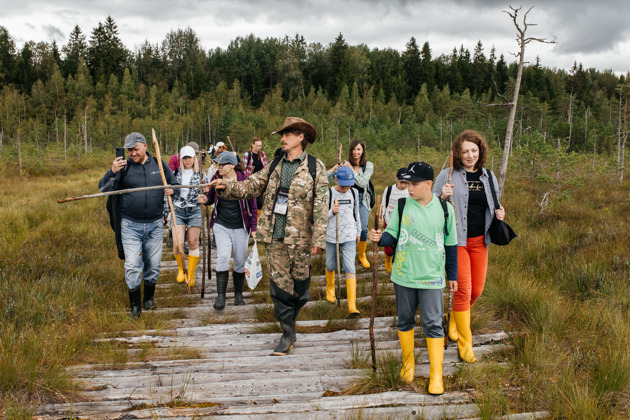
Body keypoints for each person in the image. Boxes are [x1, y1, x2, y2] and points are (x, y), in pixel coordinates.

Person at [211, 117, 328, 356]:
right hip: (274, 237)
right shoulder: (274, 165)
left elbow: (322, 205)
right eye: (281, 135)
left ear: (300, 137)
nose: (282, 139)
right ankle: (287, 332)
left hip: (302, 239)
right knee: (280, 286)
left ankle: (290, 324)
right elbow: (251, 186)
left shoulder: (316, 167)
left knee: (301, 286)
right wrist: (226, 187)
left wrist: (319, 239)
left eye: (287, 135)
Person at [368, 161, 457, 395]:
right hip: (404, 275)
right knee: (405, 321)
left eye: (414, 184)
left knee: (433, 325)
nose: (409, 188)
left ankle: (436, 376)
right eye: (407, 183)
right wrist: (379, 237)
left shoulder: (445, 209)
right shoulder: (401, 206)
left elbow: (451, 245)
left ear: (429, 184)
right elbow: (392, 235)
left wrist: (452, 275)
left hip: (431, 278)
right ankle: (408, 364)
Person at [433, 129, 506, 364]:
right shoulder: (447, 175)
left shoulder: (488, 176)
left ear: (480, 151)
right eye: (465, 151)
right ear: (458, 152)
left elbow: (494, 202)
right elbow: (430, 207)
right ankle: (466, 344)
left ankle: (455, 316)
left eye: (473, 150)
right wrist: (442, 197)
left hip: (480, 241)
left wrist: (500, 211)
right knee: (463, 290)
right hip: (457, 242)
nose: (469, 155)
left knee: (476, 291)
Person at [98, 132, 177, 318]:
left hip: (156, 224)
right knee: (133, 265)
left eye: (135, 149)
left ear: (145, 146)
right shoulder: (123, 168)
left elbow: (174, 185)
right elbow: (103, 189)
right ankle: (135, 306)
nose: (132, 153)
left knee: (154, 264)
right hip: (130, 225)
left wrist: (172, 189)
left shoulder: (159, 164)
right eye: (129, 150)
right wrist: (113, 171)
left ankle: (148, 299)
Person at [199, 151, 257, 309]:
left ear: (232, 165)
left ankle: (238, 295)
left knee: (239, 261)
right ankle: (221, 297)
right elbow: (210, 198)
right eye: (217, 164)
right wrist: (205, 200)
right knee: (223, 257)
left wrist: (254, 227)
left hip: (241, 226)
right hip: (221, 224)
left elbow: (252, 204)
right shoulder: (215, 179)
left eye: (222, 164)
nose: (219, 167)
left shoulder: (244, 180)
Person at [329, 139, 373, 269]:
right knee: (346, 226)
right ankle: (346, 255)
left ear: (363, 151)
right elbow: (329, 179)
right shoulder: (345, 164)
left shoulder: (368, 165)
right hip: (345, 197)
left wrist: (350, 170)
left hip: (361, 199)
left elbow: (363, 182)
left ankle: (362, 254)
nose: (356, 152)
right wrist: (333, 170)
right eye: (354, 149)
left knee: (363, 228)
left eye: (358, 149)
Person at [169, 145, 209, 288]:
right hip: (178, 210)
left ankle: (190, 274)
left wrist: (204, 193)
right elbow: (170, 192)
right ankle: (181, 269)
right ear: (181, 159)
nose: (187, 160)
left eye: (189, 157)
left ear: (194, 159)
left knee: (193, 243)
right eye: (184, 157)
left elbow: (207, 193)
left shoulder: (200, 175)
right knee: (177, 243)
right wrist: (169, 191)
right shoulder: (175, 174)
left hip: (194, 210)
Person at [325, 166, 361, 316]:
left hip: (349, 235)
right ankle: (330, 289)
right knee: (330, 264)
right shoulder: (329, 193)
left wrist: (358, 231)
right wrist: (331, 212)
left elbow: (356, 212)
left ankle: (352, 305)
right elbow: (321, 216)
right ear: (335, 180)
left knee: (349, 266)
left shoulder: (354, 192)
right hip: (332, 236)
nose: (346, 188)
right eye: (343, 185)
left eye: (348, 184)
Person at [379, 168, 410, 274]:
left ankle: (399, 263)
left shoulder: (410, 191)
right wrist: (381, 218)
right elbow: (383, 204)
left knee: (402, 245)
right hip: (389, 222)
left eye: (406, 182)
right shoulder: (389, 190)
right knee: (388, 246)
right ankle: (388, 261)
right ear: (396, 178)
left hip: (404, 224)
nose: (403, 185)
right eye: (401, 182)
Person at [243, 137, 268, 218]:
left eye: (260, 146)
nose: (258, 148)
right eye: (256, 146)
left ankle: (258, 220)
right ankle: (250, 219)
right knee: (251, 202)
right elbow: (244, 169)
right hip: (250, 181)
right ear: (252, 144)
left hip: (260, 181)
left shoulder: (262, 154)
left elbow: (265, 167)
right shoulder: (247, 155)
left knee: (260, 202)